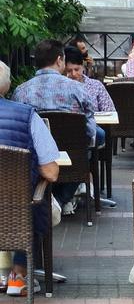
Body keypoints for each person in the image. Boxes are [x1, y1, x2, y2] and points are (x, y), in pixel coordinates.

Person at [12, 39, 97, 211]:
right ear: (60, 60)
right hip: (74, 154)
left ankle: (51, 199)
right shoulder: (77, 89)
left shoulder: (20, 91)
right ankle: (60, 199)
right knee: (91, 144)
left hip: (37, 158)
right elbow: (90, 129)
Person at [0, 61, 59, 296]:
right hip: (16, 210)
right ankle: (17, 278)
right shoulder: (27, 116)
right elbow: (51, 172)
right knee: (33, 203)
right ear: (7, 85)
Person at [65, 45, 115, 148]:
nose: (73, 74)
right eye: (69, 71)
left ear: (83, 67)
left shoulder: (96, 85)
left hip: (89, 131)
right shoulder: (59, 87)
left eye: (76, 69)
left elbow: (110, 111)